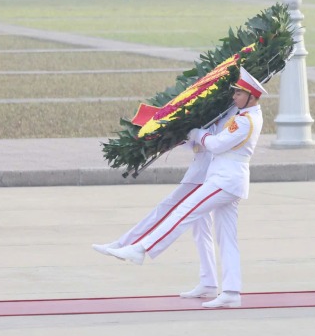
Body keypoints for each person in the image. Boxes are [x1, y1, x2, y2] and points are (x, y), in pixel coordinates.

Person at [105, 67, 266, 309]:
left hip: (224, 180)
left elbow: (216, 144)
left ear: (251, 96)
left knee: (184, 211)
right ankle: (231, 291)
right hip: (227, 180)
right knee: (226, 238)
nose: (234, 97)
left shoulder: (245, 121)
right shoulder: (242, 115)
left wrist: (197, 133)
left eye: (239, 93)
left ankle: (142, 248)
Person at [92, 106, 238, 300]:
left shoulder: (233, 111)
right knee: (200, 230)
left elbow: (216, 142)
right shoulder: (223, 108)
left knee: (168, 209)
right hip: (202, 171)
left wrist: (192, 133)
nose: (236, 95)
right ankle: (209, 281)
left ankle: (127, 244)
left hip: (208, 174)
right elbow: (200, 141)